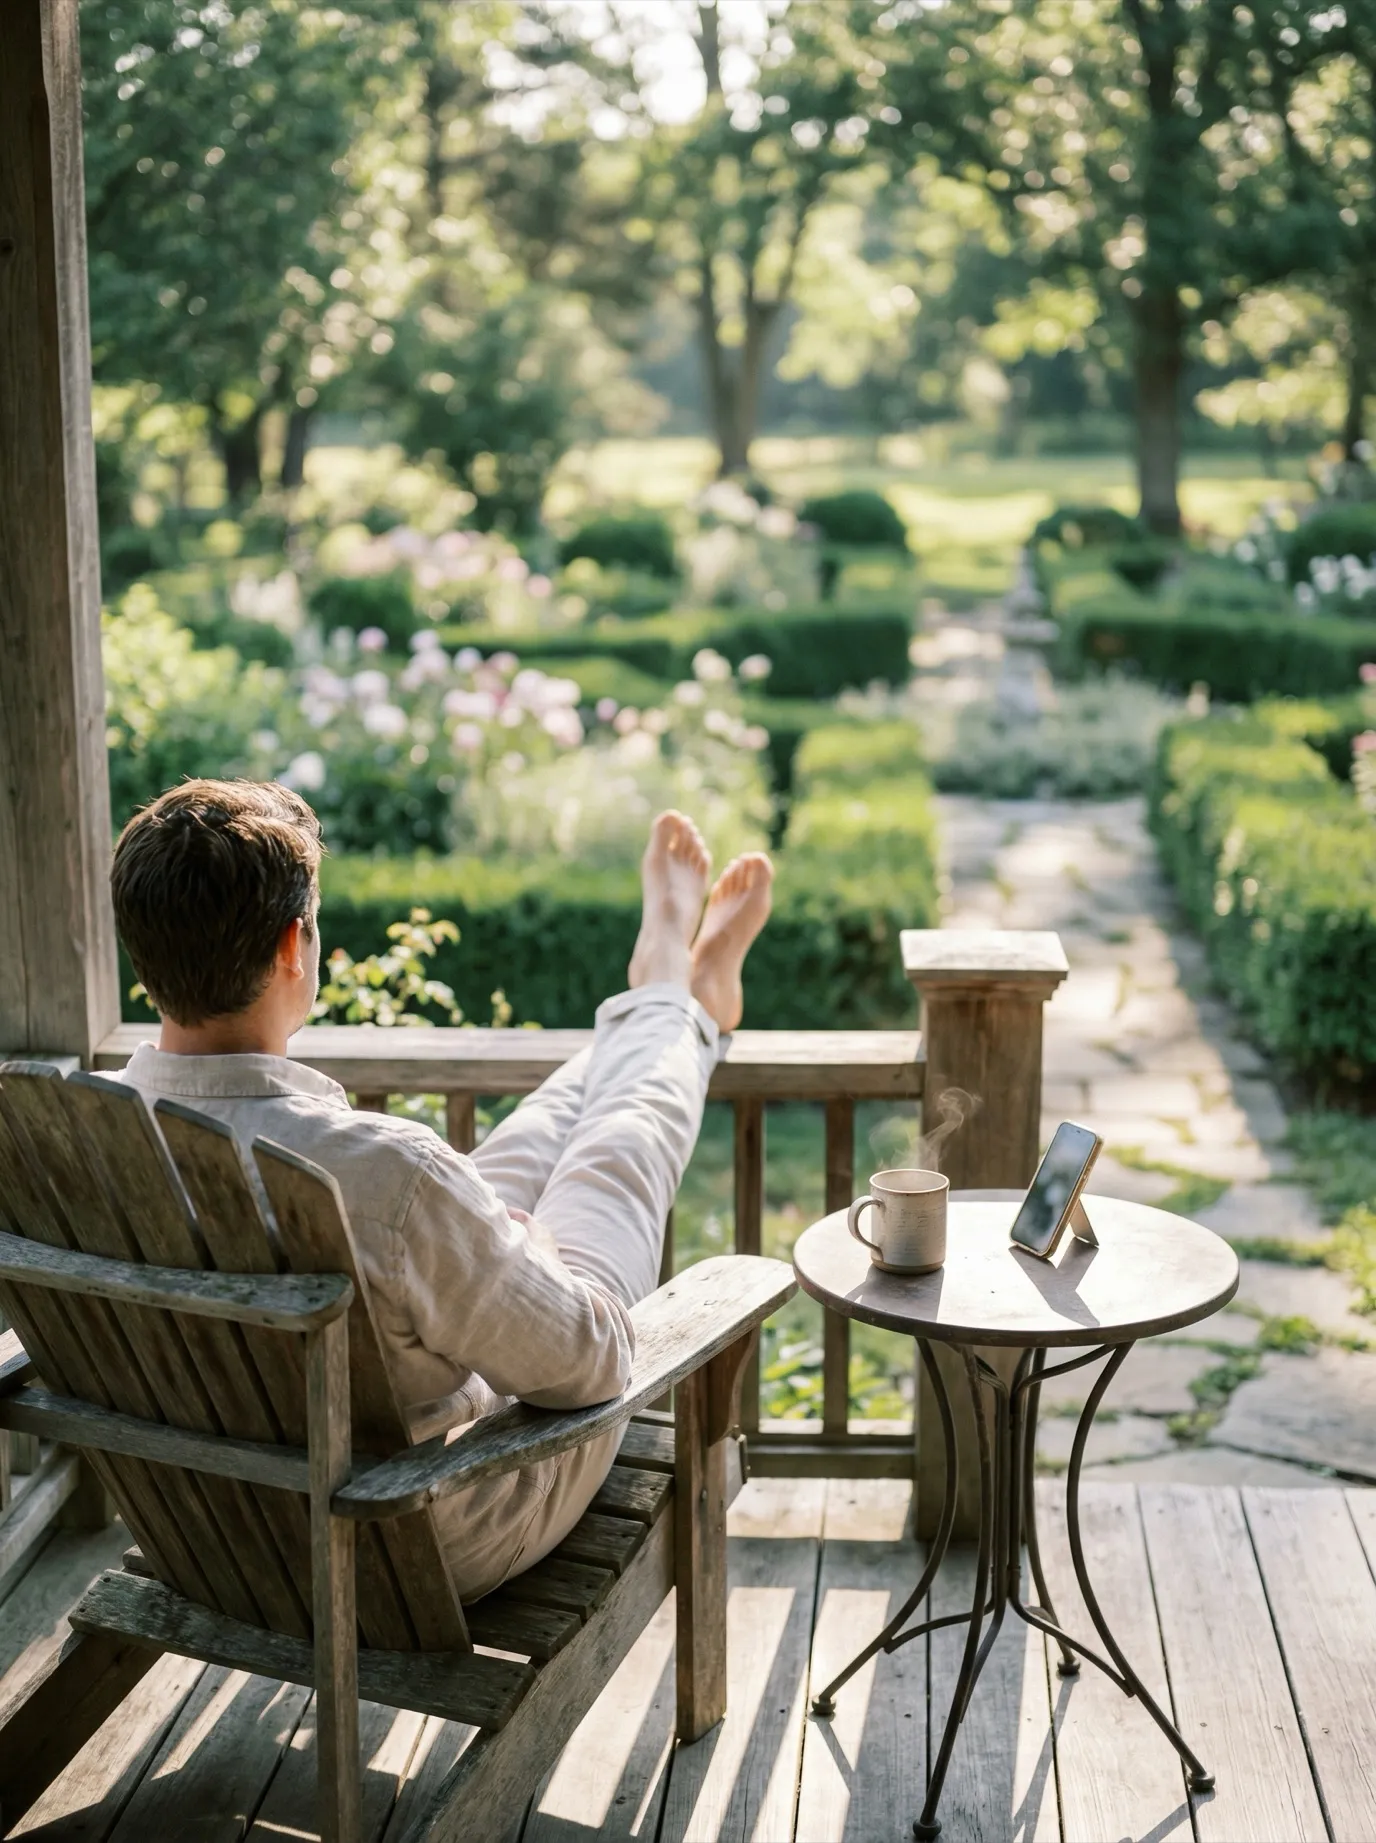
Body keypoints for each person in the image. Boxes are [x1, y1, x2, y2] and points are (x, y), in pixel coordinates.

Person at [110, 779, 772, 1600]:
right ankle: (674, 1001)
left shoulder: (90, 1146)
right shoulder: (375, 1170)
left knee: (495, 1172)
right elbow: (594, 1364)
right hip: (418, 1532)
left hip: (212, 1529)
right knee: (616, 1161)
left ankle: (667, 1002)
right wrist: (535, 1248)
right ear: (292, 945)